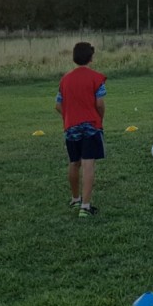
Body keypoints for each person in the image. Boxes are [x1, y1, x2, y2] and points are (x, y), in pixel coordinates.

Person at [56, 42, 106, 218]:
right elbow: (99, 103)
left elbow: (58, 105)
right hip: (91, 126)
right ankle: (85, 207)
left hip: (71, 126)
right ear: (91, 58)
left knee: (74, 162)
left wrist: (68, 116)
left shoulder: (65, 80)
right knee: (88, 163)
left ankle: (75, 198)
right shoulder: (97, 78)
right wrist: (100, 117)